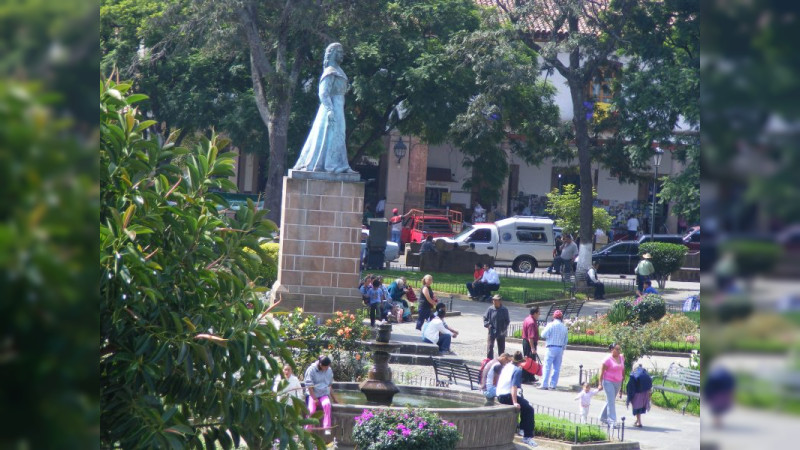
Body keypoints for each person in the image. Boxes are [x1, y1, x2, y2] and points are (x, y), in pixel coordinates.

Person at [292, 43, 355, 174]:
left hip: (338, 107)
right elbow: (323, 93)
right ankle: (333, 165)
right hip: (331, 109)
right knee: (333, 136)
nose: (342, 55)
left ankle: (339, 164)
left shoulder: (339, 71)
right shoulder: (330, 71)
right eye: (340, 52)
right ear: (332, 54)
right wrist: (330, 110)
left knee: (338, 136)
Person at [496, 352, 538, 447]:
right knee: (529, 409)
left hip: (500, 394)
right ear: (520, 362)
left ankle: (522, 428)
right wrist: (515, 402)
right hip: (506, 396)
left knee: (525, 404)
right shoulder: (517, 370)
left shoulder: (507, 366)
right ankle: (527, 436)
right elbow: (513, 387)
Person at [304, 356, 336, 432]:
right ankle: (308, 429)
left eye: (328, 366)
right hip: (313, 393)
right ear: (321, 365)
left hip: (324, 393)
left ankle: (327, 427)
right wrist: (314, 398)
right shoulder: (311, 370)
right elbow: (309, 386)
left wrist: (334, 399)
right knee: (311, 411)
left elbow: (329, 385)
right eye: (326, 366)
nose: (328, 368)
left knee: (327, 404)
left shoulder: (329, 370)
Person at [540, 310, 568, 390]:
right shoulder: (564, 327)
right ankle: (553, 385)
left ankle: (544, 384)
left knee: (547, 366)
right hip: (560, 348)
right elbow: (566, 340)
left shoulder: (550, 325)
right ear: (561, 317)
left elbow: (543, 335)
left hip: (551, 347)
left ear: (554, 317)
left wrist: (549, 336)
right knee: (557, 367)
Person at [598, 343, 625, 426]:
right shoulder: (607, 360)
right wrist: (600, 383)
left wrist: (623, 377)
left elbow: (623, 368)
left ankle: (602, 418)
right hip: (608, 381)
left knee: (610, 400)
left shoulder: (621, 357)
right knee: (611, 402)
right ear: (612, 349)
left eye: (619, 349)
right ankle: (612, 421)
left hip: (618, 381)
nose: (618, 351)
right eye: (616, 349)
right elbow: (601, 372)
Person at [483, 295, 510, 359]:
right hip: (492, 330)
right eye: (493, 300)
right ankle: (489, 360)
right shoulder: (490, 309)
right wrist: (488, 325)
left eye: (496, 300)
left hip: (501, 331)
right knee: (490, 346)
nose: (494, 301)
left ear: (500, 301)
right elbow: (485, 318)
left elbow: (507, 321)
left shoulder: (504, 309)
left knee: (501, 348)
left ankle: (501, 361)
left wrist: (504, 328)